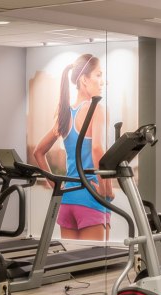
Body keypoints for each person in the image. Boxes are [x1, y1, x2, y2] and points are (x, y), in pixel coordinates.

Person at [34, 54, 114, 241]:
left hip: (67, 200)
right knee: (96, 266)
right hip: (90, 198)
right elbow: (97, 149)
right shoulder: (96, 109)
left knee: (72, 266)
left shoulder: (64, 113)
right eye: (98, 75)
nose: (102, 81)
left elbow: (38, 152)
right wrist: (104, 189)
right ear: (84, 80)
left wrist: (54, 184)